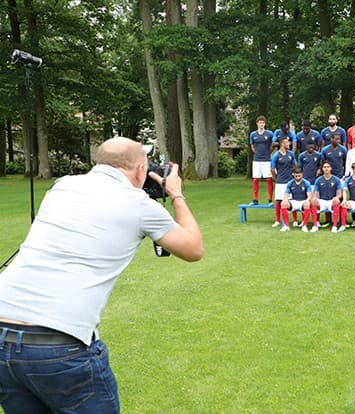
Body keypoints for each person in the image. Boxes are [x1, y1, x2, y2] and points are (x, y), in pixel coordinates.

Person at [0, 137, 203, 413]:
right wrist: (175, 193)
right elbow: (193, 249)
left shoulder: (62, 186)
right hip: (60, 341)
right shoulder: (139, 205)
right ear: (141, 171)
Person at [270, 137, 297, 228]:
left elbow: (294, 165)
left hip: (290, 181)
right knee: (278, 200)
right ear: (282, 144)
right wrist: (275, 178)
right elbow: (272, 169)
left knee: (291, 200)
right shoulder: (276, 155)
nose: (289, 144)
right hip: (280, 182)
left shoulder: (291, 154)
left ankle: (295, 220)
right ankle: (277, 220)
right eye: (287, 142)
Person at [280, 167, 316, 232]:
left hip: (303, 201)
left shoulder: (306, 183)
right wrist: (285, 199)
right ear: (293, 175)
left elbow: (309, 195)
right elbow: (286, 194)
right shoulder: (290, 183)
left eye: (299, 175)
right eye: (296, 175)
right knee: (283, 203)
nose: (297, 177)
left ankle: (304, 226)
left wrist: (307, 200)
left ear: (302, 174)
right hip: (294, 201)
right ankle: (286, 226)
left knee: (307, 203)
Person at [249, 115, 274, 204]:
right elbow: (252, 146)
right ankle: (255, 199)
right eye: (260, 123)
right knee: (255, 179)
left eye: (263, 123)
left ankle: (270, 199)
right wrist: (256, 153)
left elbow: (273, 144)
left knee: (268, 178)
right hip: (256, 160)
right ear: (257, 124)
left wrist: (269, 152)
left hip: (266, 160)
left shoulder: (269, 134)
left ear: (265, 124)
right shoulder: (253, 134)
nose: (261, 124)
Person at [311, 161, 343, 233]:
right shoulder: (318, 180)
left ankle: (334, 226)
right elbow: (315, 192)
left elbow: (339, 194)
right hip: (322, 201)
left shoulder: (336, 179)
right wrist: (315, 198)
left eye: (328, 167)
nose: (326, 169)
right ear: (322, 169)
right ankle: (315, 225)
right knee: (313, 201)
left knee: (336, 201)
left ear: (331, 168)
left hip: (332, 201)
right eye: (324, 167)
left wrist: (337, 197)